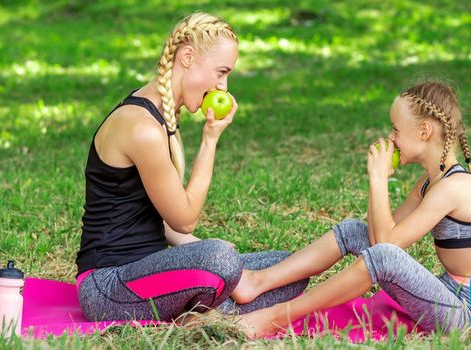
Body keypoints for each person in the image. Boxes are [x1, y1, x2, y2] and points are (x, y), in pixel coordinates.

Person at [75, 12, 307, 322]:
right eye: (221, 72)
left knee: (288, 269)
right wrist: (210, 140)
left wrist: (201, 250)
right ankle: (217, 299)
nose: (223, 87)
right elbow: (184, 219)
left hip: (153, 271)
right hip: (108, 287)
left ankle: (207, 304)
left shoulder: (164, 115)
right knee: (221, 259)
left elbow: (166, 223)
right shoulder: (141, 127)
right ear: (187, 57)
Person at [233, 81, 471, 337]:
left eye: (396, 129)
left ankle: (279, 316)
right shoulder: (430, 182)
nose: (390, 137)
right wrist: (376, 181)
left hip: (470, 314)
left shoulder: (454, 187)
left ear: (424, 131)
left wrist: (378, 179)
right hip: (447, 291)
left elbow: (387, 246)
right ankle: (257, 282)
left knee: (386, 257)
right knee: (353, 231)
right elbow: (379, 237)